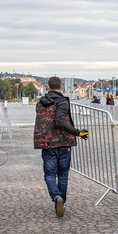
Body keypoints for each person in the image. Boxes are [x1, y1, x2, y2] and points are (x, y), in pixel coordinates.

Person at [34, 76, 88, 217]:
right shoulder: (62, 101)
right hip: (63, 143)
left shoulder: (40, 103)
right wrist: (78, 133)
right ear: (60, 87)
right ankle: (61, 201)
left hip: (47, 143)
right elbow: (60, 121)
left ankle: (56, 197)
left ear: (48, 86)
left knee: (49, 174)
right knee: (63, 174)